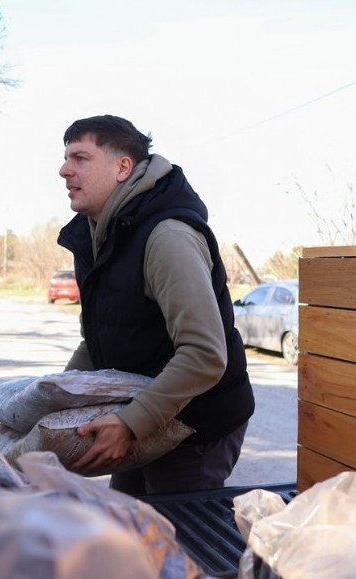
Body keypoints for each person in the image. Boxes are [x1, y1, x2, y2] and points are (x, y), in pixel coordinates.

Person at [57, 115, 255, 495]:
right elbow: (99, 341)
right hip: (143, 415)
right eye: (66, 158)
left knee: (181, 543)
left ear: (122, 167)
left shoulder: (167, 237)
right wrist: (55, 400)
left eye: (80, 158)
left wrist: (131, 423)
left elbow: (204, 354)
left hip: (196, 426)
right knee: (128, 528)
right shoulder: (95, 234)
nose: (64, 170)